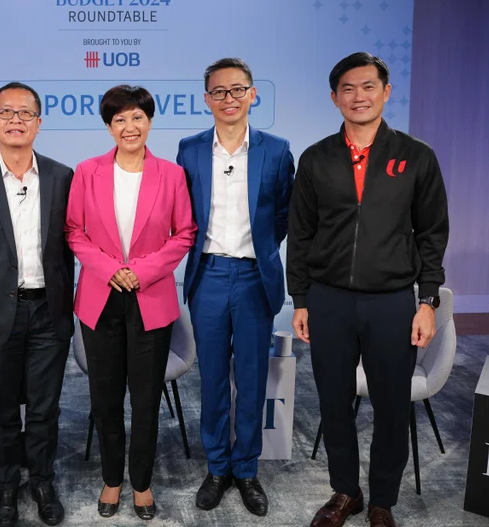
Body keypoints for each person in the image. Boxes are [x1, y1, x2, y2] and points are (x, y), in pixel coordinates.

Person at [287, 52, 449, 527]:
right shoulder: (316, 158)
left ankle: (382, 500)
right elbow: (300, 234)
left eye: (369, 87)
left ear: (386, 92)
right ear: (335, 97)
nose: (359, 97)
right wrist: (300, 298)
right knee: (334, 402)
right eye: (349, 89)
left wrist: (428, 300)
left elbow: (432, 233)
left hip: (392, 301)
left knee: (392, 406)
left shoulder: (416, 156)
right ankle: (346, 492)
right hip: (329, 299)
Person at [65, 85, 196, 521]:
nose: (129, 126)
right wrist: (109, 269)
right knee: (105, 401)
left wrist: (140, 271)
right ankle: (111, 480)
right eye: (119, 119)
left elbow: (184, 234)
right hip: (100, 300)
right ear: (108, 126)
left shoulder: (172, 175)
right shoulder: (87, 172)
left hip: (150, 298)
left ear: (149, 121)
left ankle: (141, 484)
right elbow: (74, 232)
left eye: (137, 117)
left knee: (144, 401)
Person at [176, 57, 295, 517]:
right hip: (207, 276)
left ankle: (246, 470)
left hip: (253, 278)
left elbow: (284, 214)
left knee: (250, 378)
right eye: (219, 91)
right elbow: (182, 212)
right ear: (207, 98)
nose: (229, 98)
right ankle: (217, 467)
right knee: (212, 382)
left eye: (237, 89)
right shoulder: (189, 149)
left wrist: (260, 249)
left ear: (253, 94)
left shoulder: (277, 149)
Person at [0, 82, 74, 527]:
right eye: (6, 112)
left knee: (44, 407)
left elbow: (74, 247)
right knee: (0, 409)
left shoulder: (63, 177)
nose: (16, 120)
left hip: (49, 312)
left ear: (39, 123)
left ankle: (42, 480)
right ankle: (6, 484)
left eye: (25, 113)